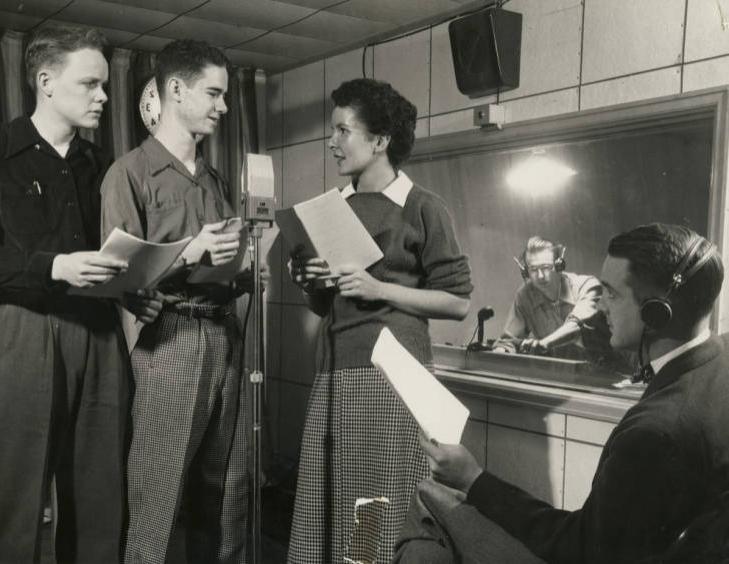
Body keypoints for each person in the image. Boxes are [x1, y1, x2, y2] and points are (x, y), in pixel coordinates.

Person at [399, 223, 729, 563]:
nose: (602, 308)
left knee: (426, 495)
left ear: (655, 313)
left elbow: (579, 549)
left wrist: (473, 478)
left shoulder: (655, 432)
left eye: (612, 294)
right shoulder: (719, 364)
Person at [286, 78, 473, 564]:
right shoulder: (334, 210)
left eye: (343, 131)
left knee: (375, 505)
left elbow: (457, 302)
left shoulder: (422, 207)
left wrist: (379, 289)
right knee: (331, 504)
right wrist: (311, 281)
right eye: (333, 131)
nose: (332, 142)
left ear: (380, 141)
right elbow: (324, 307)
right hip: (334, 375)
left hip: (393, 381)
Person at [100, 39, 250, 564]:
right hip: (169, 339)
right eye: (213, 93)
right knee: (157, 492)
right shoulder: (130, 173)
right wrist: (191, 251)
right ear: (176, 90)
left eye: (227, 96)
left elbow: (225, 262)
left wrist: (251, 264)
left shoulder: (213, 178)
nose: (223, 107)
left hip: (224, 335)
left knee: (227, 492)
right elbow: (119, 275)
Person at [0, 26, 130, 563]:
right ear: (46, 83)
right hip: (25, 329)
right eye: (91, 84)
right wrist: (55, 266)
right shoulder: (3, 153)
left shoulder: (101, 166)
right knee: (17, 487)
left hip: (98, 332)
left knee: (100, 486)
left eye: (105, 85)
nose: (103, 96)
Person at [493, 236, 612, 362]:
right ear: (525, 272)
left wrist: (544, 344)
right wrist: (500, 352)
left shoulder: (587, 286)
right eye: (533, 270)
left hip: (603, 371)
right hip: (557, 376)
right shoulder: (525, 296)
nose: (540, 276)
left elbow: (577, 327)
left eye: (546, 268)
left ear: (559, 265)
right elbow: (509, 341)